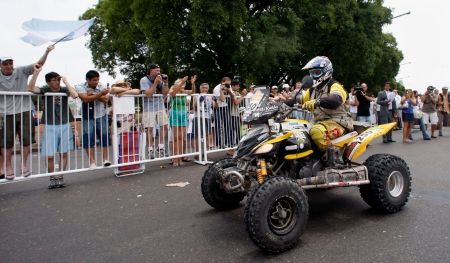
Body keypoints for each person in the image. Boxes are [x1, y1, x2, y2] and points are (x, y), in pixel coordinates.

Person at [0, 45, 54, 180]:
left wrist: (46, 52)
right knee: (7, 142)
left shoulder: (21, 71)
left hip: (24, 109)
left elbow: (38, 64)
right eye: (5, 64)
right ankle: (8, 166)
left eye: (10, 63)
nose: (8, 66)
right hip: (5, 112)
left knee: (26, 140)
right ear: (0, 65)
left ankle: (23, 165)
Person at [29, 68, 78, 188]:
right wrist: (36, 73)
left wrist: (66, 81)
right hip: (50, 125)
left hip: (65, 124)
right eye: (54, 80)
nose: (57, 82)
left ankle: (60, 177)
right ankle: (52, 178)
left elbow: (75, 95)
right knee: (50, 155)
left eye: (58, 79)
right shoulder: (46, 89)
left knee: (63, 153)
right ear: (48, 82)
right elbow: (31, 88)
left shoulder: (64, 89)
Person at [301, 56, 353, 150]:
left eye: (316, 73)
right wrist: (278, 104)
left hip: (338, 122)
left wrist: (317, 102)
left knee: (317, 132)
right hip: (319, 122)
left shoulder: (335, 85)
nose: (313, 76)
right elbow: (297, 99)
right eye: (311, 73)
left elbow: (335, 100)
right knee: (298, 132)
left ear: (326, 71)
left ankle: (331, 159)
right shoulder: (313, 90)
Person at [76, 70, 111, 168]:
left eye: (98, 79)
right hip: (87, 115)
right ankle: (92, 162)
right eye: (94, 80)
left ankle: (106, 159)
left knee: (104, 137)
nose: (97, 82)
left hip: (101, 114)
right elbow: (85, 99)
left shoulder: (102, 86)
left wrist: (92, 95)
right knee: (88, 138)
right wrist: (99, 94)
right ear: (87, 80)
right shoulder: (80, 86)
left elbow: (106, 99)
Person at [140, 64, 170, 159]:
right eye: (156, 70)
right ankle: (150, 149)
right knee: (150, 129)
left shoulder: (160, 78)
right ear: (150, 70)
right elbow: (148, 94)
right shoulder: (144, 80)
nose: (159, 72)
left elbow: (165, 93)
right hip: (149, 107)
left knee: (164, 126)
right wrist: (156, 83)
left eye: (159, 70)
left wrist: (165, 83)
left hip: (160, 106)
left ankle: (160, 147)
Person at [168, 75, 196, 166]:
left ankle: (180, 158)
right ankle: (175, 159)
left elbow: (193, 92)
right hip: (175, 114)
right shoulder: (173, 90)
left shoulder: (184, 92)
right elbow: (173, 94)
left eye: (183, 84)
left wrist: (192, 84)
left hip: (183, 114)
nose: (183, 85)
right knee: (175, 137)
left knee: (181, 137)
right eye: (181, 83)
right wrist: (181, 82)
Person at [212, 77, 232, 149]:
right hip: (217, 107)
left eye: (229, 83)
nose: (228, 85)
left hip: (225, 107)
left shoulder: (228, 87)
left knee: (227, 125)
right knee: (218, 126)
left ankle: (227, 143)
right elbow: (223, 99)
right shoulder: (216, 88)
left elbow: (233, 97)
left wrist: (229, 90)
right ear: (222, 82)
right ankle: (219, 144)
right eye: (227, 83)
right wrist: (221, 89)